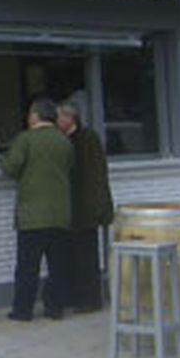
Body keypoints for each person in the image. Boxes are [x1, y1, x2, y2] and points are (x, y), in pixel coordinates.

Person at [0, 97, 74, 321]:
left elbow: (11, 168)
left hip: (32, 215)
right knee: (58, 266)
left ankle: (23, 310)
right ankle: (55, 308)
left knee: (28, 267)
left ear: (35, 115)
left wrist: (2, 161)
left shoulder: (26, 139)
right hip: (60, 212)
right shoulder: (64, 142)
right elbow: (69, 166)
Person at [56, 99, 112, 312]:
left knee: (86, 255)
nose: (57, 122)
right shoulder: (64, 140)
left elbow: (96, 173)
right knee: (71, 253)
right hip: (71, 206)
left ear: (70, 118)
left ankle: (90, 299)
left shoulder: (87, 138)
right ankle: (74, 296)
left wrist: (98, 206)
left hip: (85, 206)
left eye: (60, 118)